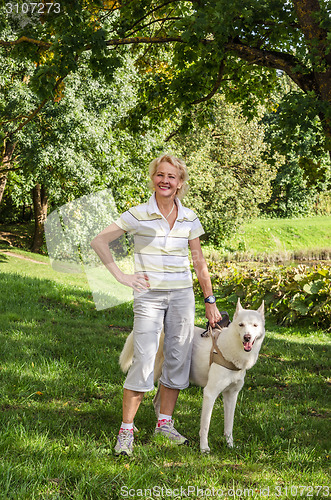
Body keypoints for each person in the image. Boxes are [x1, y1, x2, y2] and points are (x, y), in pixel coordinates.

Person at [90, 153, 221, 456]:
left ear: (180, 183)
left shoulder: (189, 217)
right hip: (148, 297)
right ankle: (126, 431)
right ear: (153, 178)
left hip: (182, 297)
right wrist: (121, 275)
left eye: (171, 176)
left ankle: (164, 423)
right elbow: (99, 241)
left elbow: (199, 262)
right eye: (160, 175)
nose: (165, 180)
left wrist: (210, 300)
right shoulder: (137, 214)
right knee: (145, 358)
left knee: (178, 357)